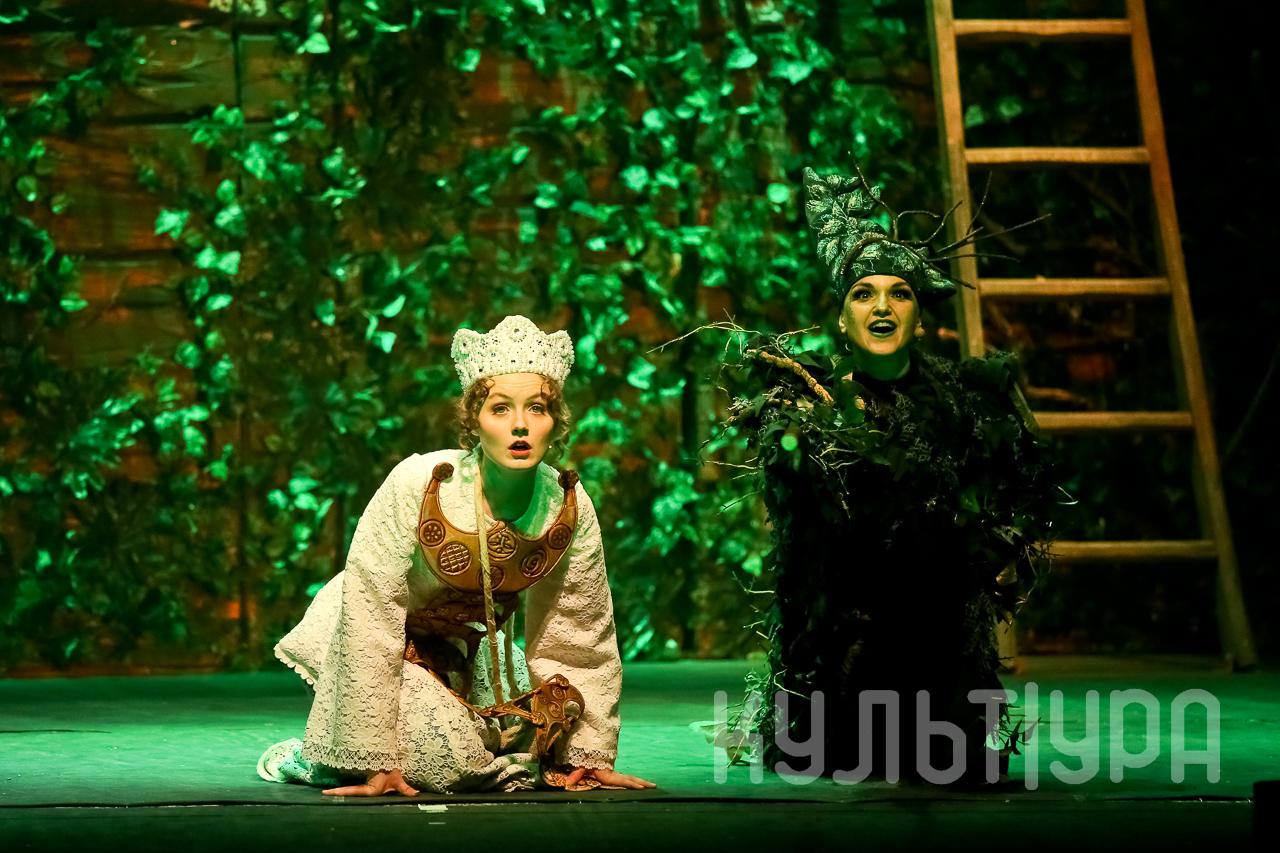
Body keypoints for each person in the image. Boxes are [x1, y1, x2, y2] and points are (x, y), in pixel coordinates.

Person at [728, 165, 1059, 783]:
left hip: (940, 652)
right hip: (844, 659)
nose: (882, 307)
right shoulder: (808, 405)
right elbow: (804, 542)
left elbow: (1020, 497)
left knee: (945, 760)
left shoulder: (963, 401)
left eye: (899, 293)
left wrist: (986, 546)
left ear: (920, 318)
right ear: (841, 318)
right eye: (863, 294)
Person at [257, 315, 655, 795]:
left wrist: (585, 754)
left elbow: (578, 633)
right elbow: (370, 612)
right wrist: (371, 754)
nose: (521, 425)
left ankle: (449, 737)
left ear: (555, 422)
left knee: (526, 737)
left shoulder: (564, 502)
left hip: (466, 652)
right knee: (450, 762)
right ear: (474, 420)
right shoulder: (422, 482)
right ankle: (315, 758)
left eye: (537, 408)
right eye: (500, 409)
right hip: (371, 640)